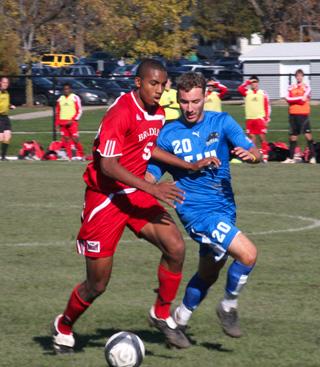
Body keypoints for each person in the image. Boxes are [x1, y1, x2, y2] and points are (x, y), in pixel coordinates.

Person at [51, 59, 217, 353]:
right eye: (154, 83)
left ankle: (161, 313)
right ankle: (64, 326)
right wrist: (152, 187)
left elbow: (147, 147)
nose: (159, 90)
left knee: (176, 247)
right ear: (138, 83)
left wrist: (189, 165)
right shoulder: (121, 112)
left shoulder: (158, 113)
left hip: (135, 192)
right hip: (106, 198)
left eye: (163, 84)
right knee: (97, 285)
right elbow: (109, 165)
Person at [146, 72, 260, 339]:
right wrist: (141, 183)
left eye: (195, 101)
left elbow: (254, 151)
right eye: (184, 102)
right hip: (195, 212)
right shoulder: (169, 134)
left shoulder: (222, 122)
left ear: (205, 98)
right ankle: (228, 305)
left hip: (224, 207)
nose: (189, 108)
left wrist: (251, 157)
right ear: (178, 99)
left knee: (209, 273)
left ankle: (180, 319)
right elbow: (151, 174)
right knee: (248, 255)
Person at [283, 69, 316, 164]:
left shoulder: (307, 87)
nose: (299, 77)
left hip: (303, 115)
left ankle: (313, 157)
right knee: (293, 137)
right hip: (293, 115)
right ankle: (291, 158)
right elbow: (287, 99)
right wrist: (298, 99)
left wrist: (295, 99)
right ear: (295, 77)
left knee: (308, 136)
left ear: (303, 77)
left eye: (300, 76)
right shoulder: (291, 87)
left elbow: (304, 99)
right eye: (297, 76)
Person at [238, 76, 271, 162]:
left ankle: (265, 156)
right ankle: (255, 155)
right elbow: (240, 88)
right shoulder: (247, 92)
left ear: (258, 83)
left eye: (255, 82)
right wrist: (247, 82)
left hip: (260, 118)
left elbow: (267, 106)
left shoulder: (263, 93)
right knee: (252, 138)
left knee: (262, 137)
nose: (254, 84)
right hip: (250, 119)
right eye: (252, 82)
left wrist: (267, 119)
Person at [55, 83, 84, 160]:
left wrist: (73, 120)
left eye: (67, 89)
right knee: (66, 139)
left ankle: (81, 155)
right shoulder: (60, 99)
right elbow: (57, 112)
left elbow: (80, 110)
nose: (66, 90)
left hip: (72, 122)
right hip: (62, 123)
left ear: (70, 89)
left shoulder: (75, 97)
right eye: (65, 89)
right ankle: (70, 156)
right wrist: (57, 123)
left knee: (75, 139)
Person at [0, 77, 15, 161]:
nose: (5, 84)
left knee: (8, 136)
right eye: (4, 82)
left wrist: (10, 106)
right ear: (0, 83)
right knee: (1, 138)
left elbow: (6, 103)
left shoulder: (6, 93)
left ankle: (3, 157)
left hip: (5, 117)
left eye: (7, 83)